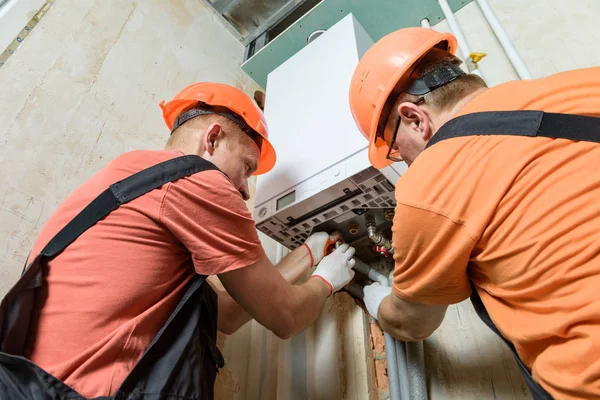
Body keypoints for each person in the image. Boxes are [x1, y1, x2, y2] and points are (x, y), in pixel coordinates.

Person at [0, 82, 356, 399]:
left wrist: (308, 254)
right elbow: (285, 317)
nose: (246, 191)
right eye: (247, 167)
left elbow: (228, 315)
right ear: (212, 138)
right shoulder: (198, 181)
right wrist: (327, 281)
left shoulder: (131, 180)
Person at [348, 27, 600, 399]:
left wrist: (377, 303)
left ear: (414, 117)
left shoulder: (426, 187)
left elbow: (414, 322)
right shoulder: (584, 84)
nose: (401, 159)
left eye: (395, 149)